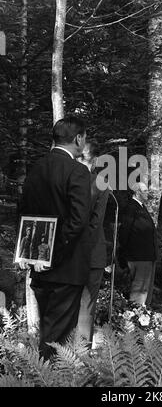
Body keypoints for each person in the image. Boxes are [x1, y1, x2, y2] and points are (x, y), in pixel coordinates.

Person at [19, 116, 91, 360]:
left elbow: (24, 214)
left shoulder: (36, 168)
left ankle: (44, 374)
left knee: (49, 331)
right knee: (58, 339)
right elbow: (79, 220)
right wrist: (52, 253)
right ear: (78, 138)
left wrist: (30, 253)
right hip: (65, 267)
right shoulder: (78, 171)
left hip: (39, 269)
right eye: (85, 137)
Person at [76, 140, 112, 345]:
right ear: (97, 160)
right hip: (91, 253)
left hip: (70, 252)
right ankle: (81, 360)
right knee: (86, 307)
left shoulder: (67, 180)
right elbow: (96, 222)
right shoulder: (100, 183)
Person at [118, 182, 158, 306]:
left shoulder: (141, 207)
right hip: (138, 256)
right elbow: (124, 232)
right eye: (145, 191)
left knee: (143, 290)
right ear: (137, 192)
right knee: (139, 290)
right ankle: (135, 318)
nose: (147, 193)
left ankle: (140, 316)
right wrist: (125, 254)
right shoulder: (131, 207)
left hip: (145, 256)